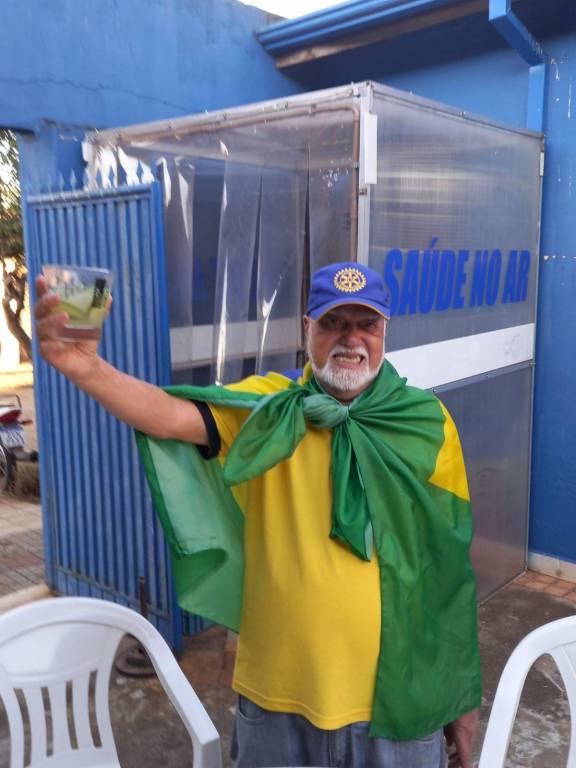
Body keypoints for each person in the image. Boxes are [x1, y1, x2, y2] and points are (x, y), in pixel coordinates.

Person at [35, 261, 481, 768]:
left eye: (367, 324)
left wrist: (459, 696)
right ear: (307, 329)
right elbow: (166, 414)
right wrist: (85, 367)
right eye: (334, 322)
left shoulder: (426, 422)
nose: (351, 338)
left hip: (402, 698)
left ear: (385, 332)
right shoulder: (269, 408)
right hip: (276, 703)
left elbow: (448, 571)